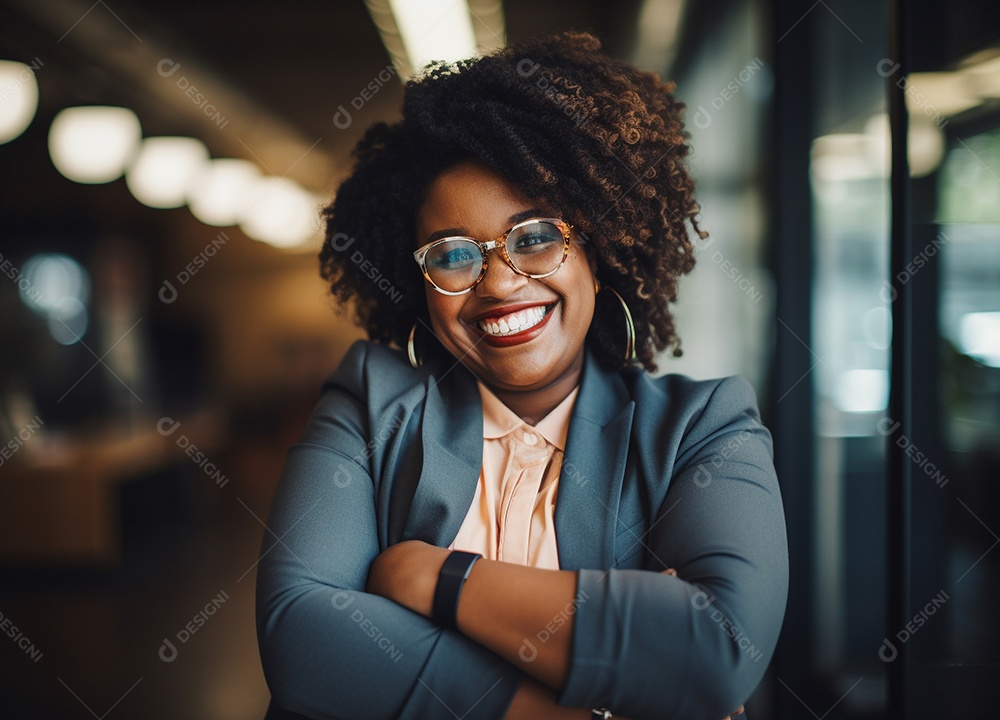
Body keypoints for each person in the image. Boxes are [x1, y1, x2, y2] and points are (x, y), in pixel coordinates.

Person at [256, 32, 788, 720]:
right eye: (453, 255)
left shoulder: (702, 427)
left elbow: (719, 648)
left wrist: (431, 578)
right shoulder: (369, 404)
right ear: (420, 284)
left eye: (534, 237)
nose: (500, 283)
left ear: (593, 249)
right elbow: (303, 643)